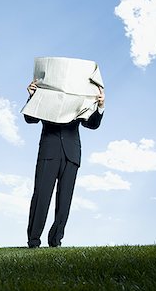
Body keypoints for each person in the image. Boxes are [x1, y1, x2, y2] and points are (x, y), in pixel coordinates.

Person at [24, 79, 105, 248]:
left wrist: (100, 106)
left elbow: (92, 124)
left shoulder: (80, 98)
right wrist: (32, 96)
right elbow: (30, 119)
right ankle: (33, 241)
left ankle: (56, 241)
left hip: (71, 153)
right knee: (41, 196)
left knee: (65, 200)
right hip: (49, 151)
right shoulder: (46, 96)